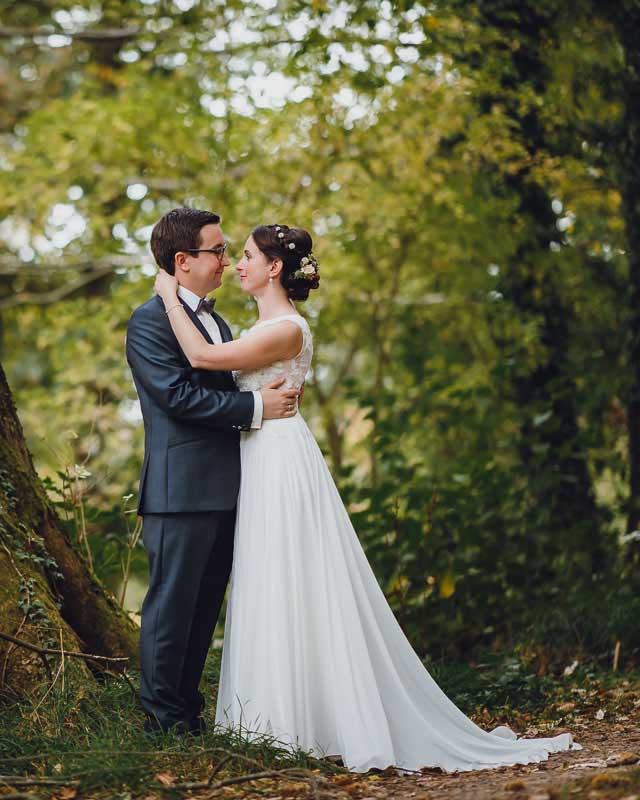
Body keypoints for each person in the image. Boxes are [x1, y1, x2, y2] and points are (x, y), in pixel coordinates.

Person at [150, 221, 580, 771]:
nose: (238, 263)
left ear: (274, 267)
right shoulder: (254, 324)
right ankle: (277, 719)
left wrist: (167, 294)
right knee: (268, 579)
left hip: (279, 458)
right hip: (256, 457)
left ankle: (295, 723)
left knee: (288, 575)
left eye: (249, 256)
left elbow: (205, 361)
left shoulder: (285, 327)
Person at [125, 208, 301, 736]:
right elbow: (177, 398)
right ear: (183, 261)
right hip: (179, 491)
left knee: (203, 612)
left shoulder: (218, 322)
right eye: (217, 251)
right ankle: (161, 721)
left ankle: (188, 711)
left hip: (228, 489)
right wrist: (256, 411)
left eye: (229, 250)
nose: (226, 260)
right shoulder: (149, 321)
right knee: (170, 609)